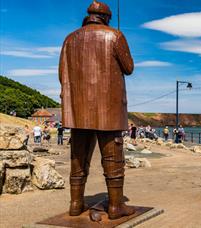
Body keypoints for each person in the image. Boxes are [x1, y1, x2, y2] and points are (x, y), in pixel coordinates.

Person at [59, 0, 135, 219]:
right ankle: (115, 206)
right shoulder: (115, 36)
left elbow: (61, 73)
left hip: (77, 110)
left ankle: (75, 204)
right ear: (107, 18)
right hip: (108, 111)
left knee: (78, 159)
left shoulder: (70, 39)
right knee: (113, 160)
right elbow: (128, 68)